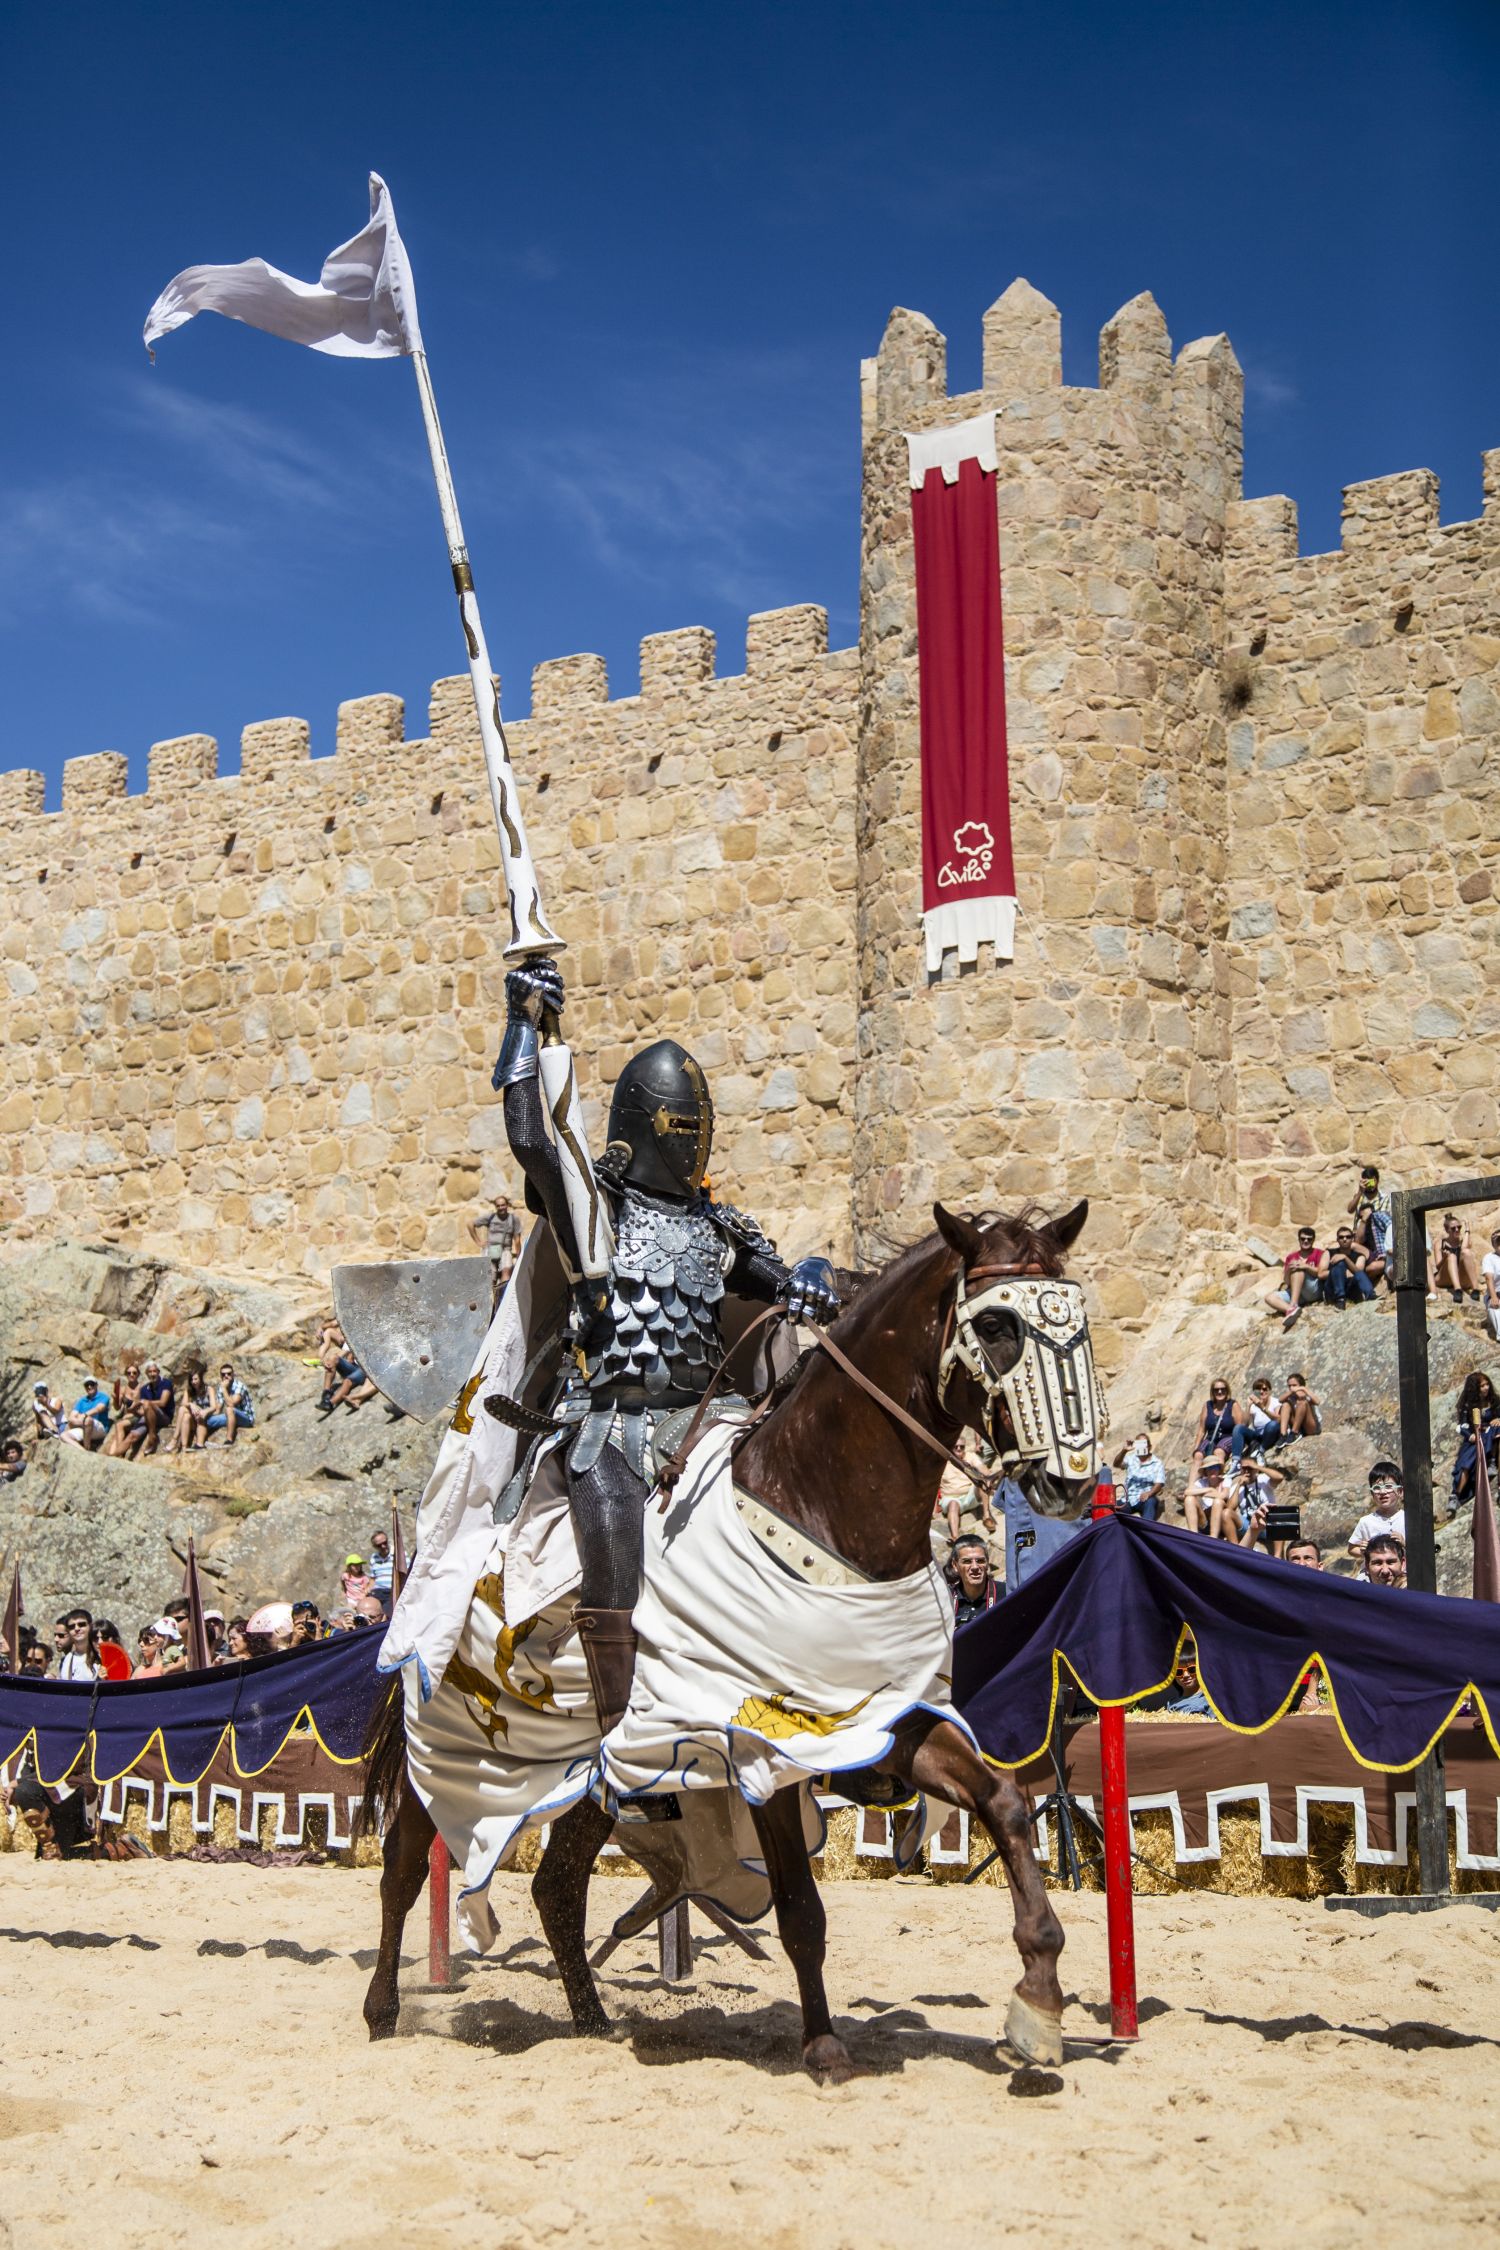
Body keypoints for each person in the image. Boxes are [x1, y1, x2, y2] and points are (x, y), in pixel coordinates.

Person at [495, 958, 840, 1733]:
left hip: (706, 1420)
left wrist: (812, 1272)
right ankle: (620, 1735)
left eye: (698, 1128)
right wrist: (522, 1020)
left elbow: (786, 1282)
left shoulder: (719, 1227)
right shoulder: (595, 1211)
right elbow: (533, 1143)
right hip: (606, 1426)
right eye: (680, 1127)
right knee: (612, 1555)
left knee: (781, 1515)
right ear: (644, 1123)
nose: (693, 1142)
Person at [1450, 1372, 1500, 1514]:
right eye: (1481, 1386)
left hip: (1491, 1434)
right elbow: (1462, 1426)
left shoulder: (1494, 1401)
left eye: (1486, 1384)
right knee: (1466, 1462)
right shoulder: (1468, 1406)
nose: (1486, 1388)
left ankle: (1492, 1462)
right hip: (1475, 1437)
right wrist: (1470, 1435)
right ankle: (1456, 1495)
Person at [1264, 1228, 1324, 1329]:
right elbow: (1287, 1281)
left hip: (1313, 1289)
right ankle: (1291, 1310)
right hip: (1296, 1292)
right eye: (1303, 1239)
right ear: (1299, 1240)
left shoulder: (1319, 1253)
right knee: (1269, 1297)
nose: (1306, 1241)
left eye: (1309, 1239)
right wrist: (1288, 1269)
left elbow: (1322, 1273)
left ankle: (1293, 1305)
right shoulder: (1291, 1257)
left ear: (1313, 1240)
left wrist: (1305, 1266)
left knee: (1298, 1270)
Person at [472, 1192, 524, 1309]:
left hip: (505, 1249)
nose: (501, 1208)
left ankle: (503, 1302)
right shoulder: (490, 1217)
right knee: (490, 1278)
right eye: (498, 1205)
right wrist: (478, 1242)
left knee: (506, 1272)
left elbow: (517, 1239)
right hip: (491, 1249)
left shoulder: (513, 1219)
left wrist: (519, 1255)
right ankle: (489, 1305)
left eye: (503, 1205)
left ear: (507, 1205)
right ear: (496, 1207)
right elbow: (470, 1224)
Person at [1347, 1164, 1395, 1283]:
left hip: (1379, 1241)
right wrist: (1359, 1192)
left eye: (1372, 1181)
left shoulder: (1385, 1198)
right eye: (1366, 1182)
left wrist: (1370, 1216)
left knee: (1374, 1267)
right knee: (1352, 1246)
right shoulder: (1360, 1197)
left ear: (1377, 1181)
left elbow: (1385, 1221)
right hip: (1362, 1238)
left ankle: (1360, 1278)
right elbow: (1350, 1209)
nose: (1370, 1185)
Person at [1348, 1462, 1405, 1557]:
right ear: (1372, 1494)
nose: (1383, 1492)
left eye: (1388, 1487)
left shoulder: (1408, 1519)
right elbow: (1352, 1548)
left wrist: (1405, 1544)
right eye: (1377, 1488)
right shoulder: (1366, 1522)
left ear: (1400, 1491)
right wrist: (1364, 1551)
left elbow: (1422, 1547)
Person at [947, 1534, 1002, 1626]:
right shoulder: (946, 1598)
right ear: (955, 1565)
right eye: (967, 1561)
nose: (975, 1567)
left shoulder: (1006, 1593)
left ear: (987, 1563)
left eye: (980, 1561)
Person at [1112, 1433, 1165, 1520]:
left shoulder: (1157, 1463)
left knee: (1151, 1502)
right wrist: (1124, 1450)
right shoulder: (1131, 1458)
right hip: (1127, 1499)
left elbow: (1159, 1483)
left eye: (1144, 1444)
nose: (1142, 1447)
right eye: (1139, 1444)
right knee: (1109, 1509)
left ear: (1149, 1446)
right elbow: (1116, 1464)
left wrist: (1149, 1493)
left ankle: (1146, 1530)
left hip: (1144, 1498)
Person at [1230, 1378, 1285, 1462]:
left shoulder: (1275, 1402)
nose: (1262, 1392)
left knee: (1272, 1425)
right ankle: (1236, 1461)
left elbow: (1278, 1419)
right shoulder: (1253, 1406)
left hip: (1271, 1434)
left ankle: (1260, 1450)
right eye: (1258, 1389)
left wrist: (1262, 1407)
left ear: (1269, 1390)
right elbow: (1244, 1424)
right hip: (1258, 1437)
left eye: (1264, 1389)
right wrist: (1248, 1406)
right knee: (1238, 1428)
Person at [1432, 1212, 1481, 1304]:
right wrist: (1445, 1258)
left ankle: (1476, 1289)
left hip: (1460, 1277)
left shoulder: (1463, 1241)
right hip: (1444, 1278)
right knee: (1451, 1256)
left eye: (1459, 1227)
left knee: (1467, 1252)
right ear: (1447, 1230)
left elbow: (1464, 1249)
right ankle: (1457, 1290)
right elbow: (1438, 1267)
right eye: (1453, 1228)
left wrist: (1467, 1229)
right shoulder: (1439, 1243)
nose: (1457, 1230)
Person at [1325, 1227, 1376, 1310]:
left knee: (1359, 1273)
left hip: (1351, 1288)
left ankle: (1371, 1296)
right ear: (1337, 1239)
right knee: (1339, 1265)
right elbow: (1320, 1274)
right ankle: (1340, 1300)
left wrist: (1345, 1258)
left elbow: (1358, 1273)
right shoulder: (1329, 1253)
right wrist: (1339, 1273)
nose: (1345, 1239)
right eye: (1341, 1237)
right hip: (1333, 1288)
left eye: (1348, 1237)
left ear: (1352, 1239)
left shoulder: (1360, 1256)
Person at [1183, 1451, 1231, 1537]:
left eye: (1215, 1467)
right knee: (1189, 1499)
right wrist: (1209, 1490)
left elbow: (1223, 1496)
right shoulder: (1201, 1483)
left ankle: (1213, 1537)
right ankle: (1193, 1534)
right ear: (1205, 1471)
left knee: (1218, 1502)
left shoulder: (1226, 1480)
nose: (1212, 1470)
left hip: (1221, 1520)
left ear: (1219, 1469)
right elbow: (1187, 1492)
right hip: (1204, 1519)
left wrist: (1200, 1493)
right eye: (1209, 1468)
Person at [205, 1361, 255, 1444]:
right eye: (223, 1374)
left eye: (229, 1374)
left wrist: (224, 1389)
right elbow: (218, 1409)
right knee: (207, 1420)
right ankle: (200, 1443)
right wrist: (206, 1414)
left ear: (233, 1374)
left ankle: (229, 1440)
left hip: (246, 1418)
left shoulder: (239, 1386)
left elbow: (231, 1404)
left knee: (229, 1409)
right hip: (230, 1416)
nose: (226, 1376)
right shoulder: (221, 1388)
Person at [1190, 1379, 1237, 1462]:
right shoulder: (1208, 1406)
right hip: (1211, 1439)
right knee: (1198, 1455)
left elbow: (1239, 1428)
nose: (1219, 1392)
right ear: (1212, 1392)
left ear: (1227, 1390)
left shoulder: (1233, 1405)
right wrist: (1196, 1448)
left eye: (1223, 1389)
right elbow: (1201, 1430)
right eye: (1216, 1390)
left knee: (1218, 1452)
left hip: (1228, 1438)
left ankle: (1217, 1474)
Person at [169, 1366, 213, 1453]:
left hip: (204, 1418)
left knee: (183, 1411)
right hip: (194, 1419)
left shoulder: (208, 1389)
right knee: (185, 1414)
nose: (193, 1382)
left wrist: (205, 1411)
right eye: (192, 1380)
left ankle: (174, 1439)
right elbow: (183, 1403)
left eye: (196, 1379)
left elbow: (213, 1406)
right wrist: (191, 1404)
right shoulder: (189, 1390)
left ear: (200, 1379)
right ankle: (184, 1447)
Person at [64, 1377, 112, 1451]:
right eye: (87, 1385)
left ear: (96, 1385)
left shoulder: (103, 1397)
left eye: (91, 1384)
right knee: (63, 1435)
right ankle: (83, 1451)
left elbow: (99, 1409)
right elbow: (71, 1417)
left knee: (88, 1420)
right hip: (84, 1426)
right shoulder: (82, 1400)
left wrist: (84, 1415)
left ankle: (87, 1446)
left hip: (100, 1427)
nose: (89, 1387)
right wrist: (80, 1420)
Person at [56, 1609, 100, 1681]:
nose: (76, 1628)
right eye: (72, 1626)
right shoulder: (65, 1660)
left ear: (90, 1626)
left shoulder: (100, 1656)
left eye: (81, 1624)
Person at [1278, 1372, 1322, 1442]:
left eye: (1294, 1385)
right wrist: (1291, 1392)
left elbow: (1317, 1402)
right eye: (1289, 1386)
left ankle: (1294, 1432)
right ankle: (1283, 1435)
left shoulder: (1307, 1395)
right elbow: (1280, 1400)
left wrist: (1303, 1389)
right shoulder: (1291, 1396)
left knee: (1302, 1402)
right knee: (1285, 1404)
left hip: (1311, 1428)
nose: (1291, 1388)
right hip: (1299, 1427)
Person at [1483, 1229, 1500, 1343]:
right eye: (1498, 1241)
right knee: (1494, 1306)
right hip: (1497, 1293)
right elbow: (1489, 1278)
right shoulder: (1489, 1258)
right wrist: (1493, 1297)